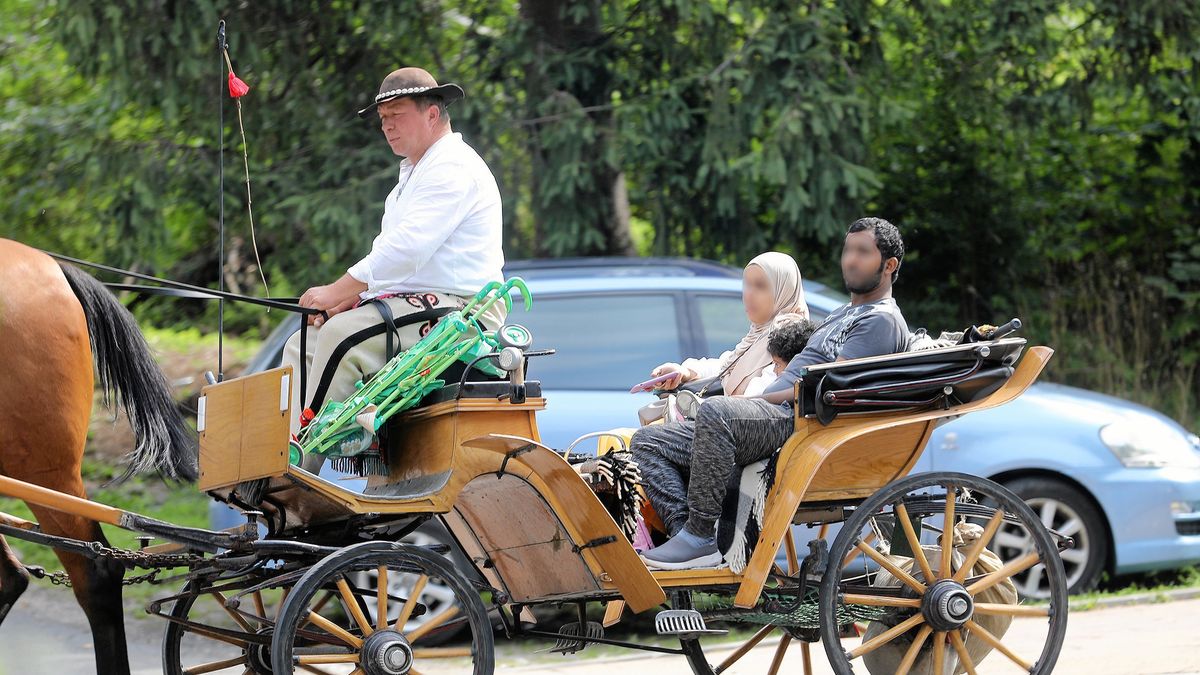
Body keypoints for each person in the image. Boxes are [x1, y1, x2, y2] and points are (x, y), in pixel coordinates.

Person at [635, 217, 910, 569]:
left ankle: (700, 538)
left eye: (863, 252)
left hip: (799, 422)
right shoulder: (846, 312)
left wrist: (754, 401)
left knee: (718, 411)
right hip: (779, 413)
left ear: (889, 265)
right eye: (847, 250)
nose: (850, 260)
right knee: (648, 441)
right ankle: (682, 535)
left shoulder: (880, 321)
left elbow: (826, 384)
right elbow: (734, 364)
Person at [281, 67, 506, 469]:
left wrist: (337, 291)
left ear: (432, 114)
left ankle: (298, 472)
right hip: (425, 302)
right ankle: (277, 452)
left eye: (396, 114)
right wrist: (355, 298)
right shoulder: (413, 175)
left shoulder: (453, 167)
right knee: (302, 342)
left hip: (466, 312)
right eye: (382, 118)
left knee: (340, 337)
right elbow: (398, 267)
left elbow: (406, 251)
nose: (386, 126)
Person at [650, 251, 809, 396]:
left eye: (760, 286)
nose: (749, 295)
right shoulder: (760, 333)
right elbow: (729, 365)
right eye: (747, 284)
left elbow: (762, 397)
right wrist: (684, 372)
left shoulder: (789, 336)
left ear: (783, 291)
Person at [742, 318, 818, 396]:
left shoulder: (782, 389)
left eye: (777, 365)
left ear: (794, 364)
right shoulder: (770, 375)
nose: (774, 370)